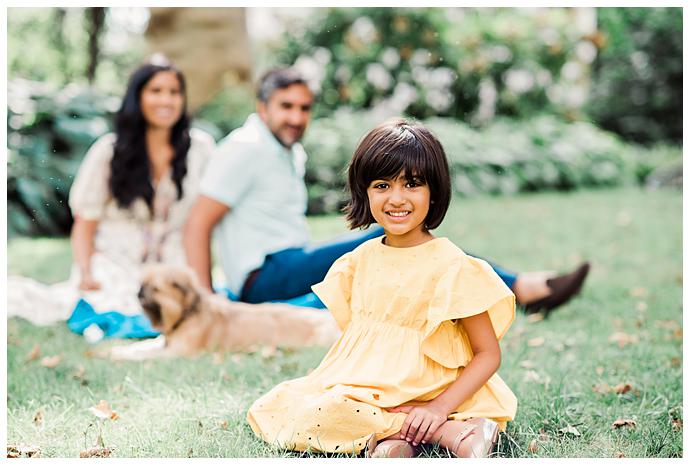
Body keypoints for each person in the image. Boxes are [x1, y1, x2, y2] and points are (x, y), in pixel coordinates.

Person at [184, 67, 589, 314]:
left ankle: (487, 295)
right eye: (286, 106)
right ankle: (519, 287)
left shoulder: (285, 151)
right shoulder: (245, 148)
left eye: (304, 108)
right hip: (263, 278)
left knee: (398, 242)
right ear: (262, 106)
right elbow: (197, 225)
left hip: (287, 263)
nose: (296, 117)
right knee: (389, 233)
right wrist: (205, 303)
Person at [247, 119, 516, 458]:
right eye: (382, 185)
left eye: (412, 184)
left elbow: (488, 354)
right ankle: (423, 433)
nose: (397, 198)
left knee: (324, 411)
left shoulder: (453, 266)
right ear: (365, 191)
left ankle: (433, 424)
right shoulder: (357, 262)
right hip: (372, 392)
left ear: (434, 191)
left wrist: (436, 406)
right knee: (279, 407)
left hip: (435, 391)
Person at [7, 60, 215, 325]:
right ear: (137, 97)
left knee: (183, 309)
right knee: (120, 305)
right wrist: (86, 274)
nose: (167, 100)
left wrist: (203, 281)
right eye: (156, 91)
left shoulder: (201, 149)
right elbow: (85, 222)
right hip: (116, 261)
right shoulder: (109, 151)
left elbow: (204, 220)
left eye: (174, 92)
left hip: (174, 262)